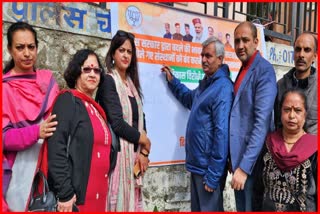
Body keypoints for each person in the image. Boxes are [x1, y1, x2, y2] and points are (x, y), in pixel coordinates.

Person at [161, 36, 233, 211]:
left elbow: (221, 132)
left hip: (208, 169)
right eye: (202, 55)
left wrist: (214, 174)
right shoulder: (206, 85)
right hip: (197, 165)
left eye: (208, 56)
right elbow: (188, 98)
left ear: (220, 59)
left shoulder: (222, 87)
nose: (203, 60)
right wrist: (173, 81)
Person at [2, 21, 59, 211]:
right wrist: (36, 132)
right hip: (16, 170)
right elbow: (4, 138)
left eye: (31, 47)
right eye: (20, 47)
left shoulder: (49, 83)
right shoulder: (5, 88)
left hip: (46, 166)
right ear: (10, 49)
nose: (27, 53)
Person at [47, 49, 111, 212]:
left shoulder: (97, 109)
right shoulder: (67, 101)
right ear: (76, 72)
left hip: (99, 196)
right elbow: (56, 147)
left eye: (96, 70)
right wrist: (65, 194)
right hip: (75, 200)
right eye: (86, 69)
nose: (92, 74)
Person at [96, 30, 151, 211]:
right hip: (118, 158)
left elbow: (141, 118)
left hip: (135, 157)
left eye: (129, 51)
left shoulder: (131, 83)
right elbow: (117, 123)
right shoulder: (108, 82)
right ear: (113, 53)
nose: (126, 55)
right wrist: (144, 141)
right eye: (121, 50)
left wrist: (143, 153)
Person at [229, 21, 277, 211]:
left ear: (256, 41)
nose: (240, 45)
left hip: (252, 164)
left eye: (245, 40)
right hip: (239, 162)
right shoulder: (243, 68)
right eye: (237, 41)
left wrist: (244, 167)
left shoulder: (263, 70)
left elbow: (261, 123)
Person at [253, 89, 317, 211]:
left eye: (298, 110)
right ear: (280, 112)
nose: (291, 115)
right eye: (287, 110)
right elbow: (258, 189)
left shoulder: (314, 149)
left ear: (305, 114)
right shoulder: (269, 144)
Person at [274, 32, 317, 135]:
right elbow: (277, 123)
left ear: (314, 56)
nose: (301, 55)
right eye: (298, 49)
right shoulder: (280, 86)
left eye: (307, 50)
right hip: (285, 148)